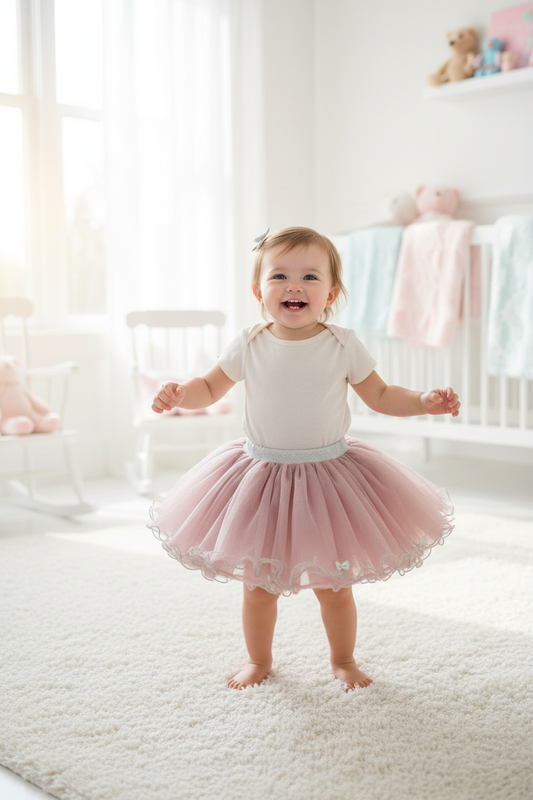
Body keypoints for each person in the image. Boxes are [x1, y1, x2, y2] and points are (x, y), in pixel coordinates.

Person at [149, 226, 460, 692]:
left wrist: (423, 400)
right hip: (260, 478)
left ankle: (343, 659)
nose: (295, 286)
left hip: (329, 479)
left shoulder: (341, 343)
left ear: (331, 293)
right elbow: (211, 387)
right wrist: (181, 394)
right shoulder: (249, 342)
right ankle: (259, 660)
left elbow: (380, 394)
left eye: (310, 277)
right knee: (257, 588)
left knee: (334, 587)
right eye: (280, 276)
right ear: (259, 290)